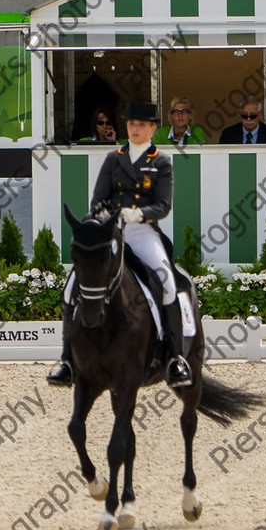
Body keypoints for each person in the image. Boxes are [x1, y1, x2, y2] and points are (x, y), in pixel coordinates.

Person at [47, 100, 193, 390]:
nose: (135, 129)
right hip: (111, 231)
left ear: (152, 129)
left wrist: (139, 214)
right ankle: (66, 360)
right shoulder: (114, 158)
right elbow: (98, 199)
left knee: (165, 282)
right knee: (71, 285)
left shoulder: (161, 161)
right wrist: (101, 216)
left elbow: (163, 205)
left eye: (141, 125)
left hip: (143, 232)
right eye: (131, 124)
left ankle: (175, 358)